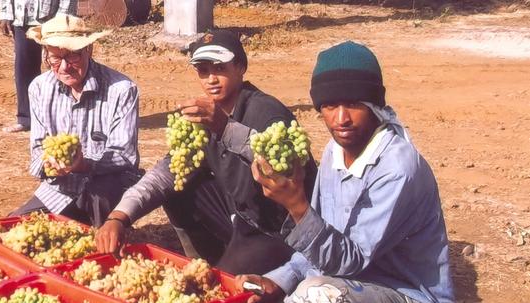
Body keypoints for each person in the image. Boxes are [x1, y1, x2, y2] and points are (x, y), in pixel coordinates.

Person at [239, 41, 454, 303]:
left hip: (404, 292)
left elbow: (348, 261)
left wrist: (297, 206)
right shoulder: (334, 152)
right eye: (329, 106)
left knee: (317, 295)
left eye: (353, 104)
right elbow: (322, 243)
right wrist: (279, 280)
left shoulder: (397, 168)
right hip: (350, 283)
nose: (341, 119)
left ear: (373, 105)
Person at [94, 30, 317, 275]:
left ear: (240, 67)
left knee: (218, 285)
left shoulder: (266, 112)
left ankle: (240, 271)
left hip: (275, 230)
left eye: (219, 68)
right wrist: (119, 216)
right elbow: (165, 175)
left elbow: (283, 169)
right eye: (203, 71)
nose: (211, 79)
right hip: (242, 217)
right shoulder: (207, 116)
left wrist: (225, 128)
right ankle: (211, 260)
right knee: (179, 186)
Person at [8, 14, 142, 227]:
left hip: (107, 187)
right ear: (45, 55)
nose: (64, 67)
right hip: (60, 188)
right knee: (13, 227)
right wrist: (48, 163)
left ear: (89, 50)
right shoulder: (39, 88)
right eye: (55, 58)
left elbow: (125, 157)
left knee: (100, 241)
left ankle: (108, 227)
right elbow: (37, 149)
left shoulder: (122, 89)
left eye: (72, 57)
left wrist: (83, 164)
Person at [0, 0, 76, 133]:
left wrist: (63, 16)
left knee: (61, 67)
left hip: (52, 19)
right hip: (22, 18)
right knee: (23, 69)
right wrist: (6, 14)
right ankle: (26, 119)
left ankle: (64, 118)